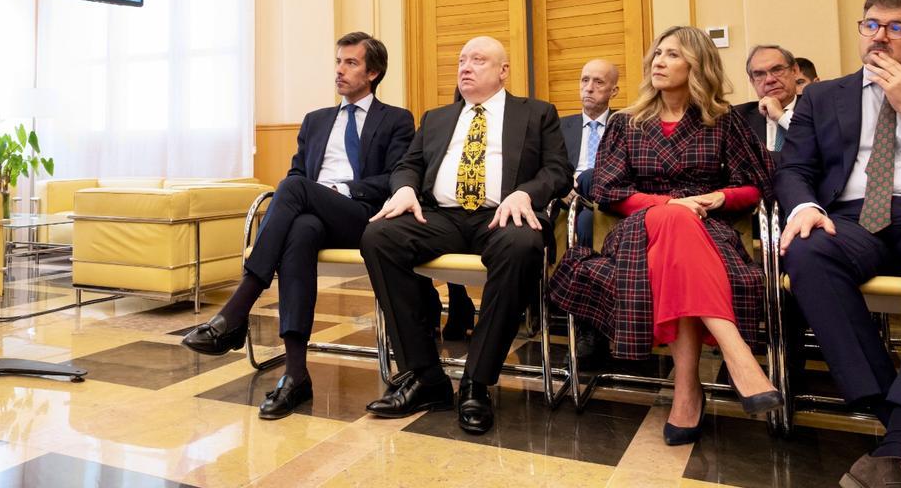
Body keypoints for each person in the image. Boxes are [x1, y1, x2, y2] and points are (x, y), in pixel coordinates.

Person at [550, 25, 781, 447]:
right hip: (637, 230)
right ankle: (737, 353)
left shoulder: (723, 120)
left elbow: (755, 186)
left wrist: (720, 196)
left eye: (672, 54)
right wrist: (669, 204)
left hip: (708, 231)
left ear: (697, 64)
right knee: (674, 220)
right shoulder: (626, 122)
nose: (659, 61)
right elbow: (607, 191)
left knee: (678, 249)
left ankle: (687, 389)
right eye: (657, 53)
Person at [181, 32, 414, 419]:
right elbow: (297, 173)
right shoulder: (316, 120)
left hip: (363, 217)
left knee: (293, 189)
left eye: (351, 63)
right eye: (338, 61)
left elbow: (394, 178)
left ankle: (238, 309)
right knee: (301, 230)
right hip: (314, 215)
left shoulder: (396, 119)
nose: (339, 70)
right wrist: (312, 193)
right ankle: (295, 375)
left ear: (373, 72)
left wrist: (338, 189)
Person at [361, 36, 571, 435]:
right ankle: (425, 377)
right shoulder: (436, 118)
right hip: (442, 216)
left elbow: (558, 170)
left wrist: (526, 193)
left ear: (503, 71)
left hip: (502, 214)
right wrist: (404, 189)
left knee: (523, 243)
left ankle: (477, 380)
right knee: (379, 237)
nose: (466, 67)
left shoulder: (536, 113)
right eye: (461, 60)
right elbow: (408, 165)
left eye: (478, 60)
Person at [776, 0, 901, 487]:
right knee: (808, 251)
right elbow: (793, 168)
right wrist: (805, 207)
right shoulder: (821, 96)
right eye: (871, 25)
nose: (879, 36)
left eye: (897, 27)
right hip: (849, 216)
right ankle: (900, 422)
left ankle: (898, 445)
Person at [559, 59, 619, 359]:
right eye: (585, 80)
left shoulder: (628, 123)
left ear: (613, 91)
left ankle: (592, 326)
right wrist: (562, 187)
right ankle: (588, 324)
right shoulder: (560, 126)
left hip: (611, 203)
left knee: (587, 213)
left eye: (598, 82)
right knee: (583, 220)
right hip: (568, 202)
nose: (589, 88)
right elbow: (548, 168)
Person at [734, 45, 799, 163]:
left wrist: (781, 117)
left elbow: (819, 147)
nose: (769, 80)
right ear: (752, 81)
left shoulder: (817, 108)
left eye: (777, 70)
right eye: (759, 74)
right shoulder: (738, 117)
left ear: (794, 71)